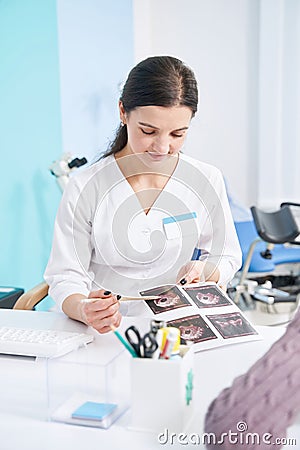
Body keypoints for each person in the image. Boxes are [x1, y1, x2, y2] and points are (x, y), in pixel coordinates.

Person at [44, 56, 242, 334]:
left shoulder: (206, 179)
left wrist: (206, 271)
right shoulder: (85, 186)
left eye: (177, 134)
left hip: (174, 326)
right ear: (123, 112)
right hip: (99, 330)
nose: (162, 147)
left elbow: (227, 254)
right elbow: (65, 275)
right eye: (148, 131)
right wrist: (84, 309)